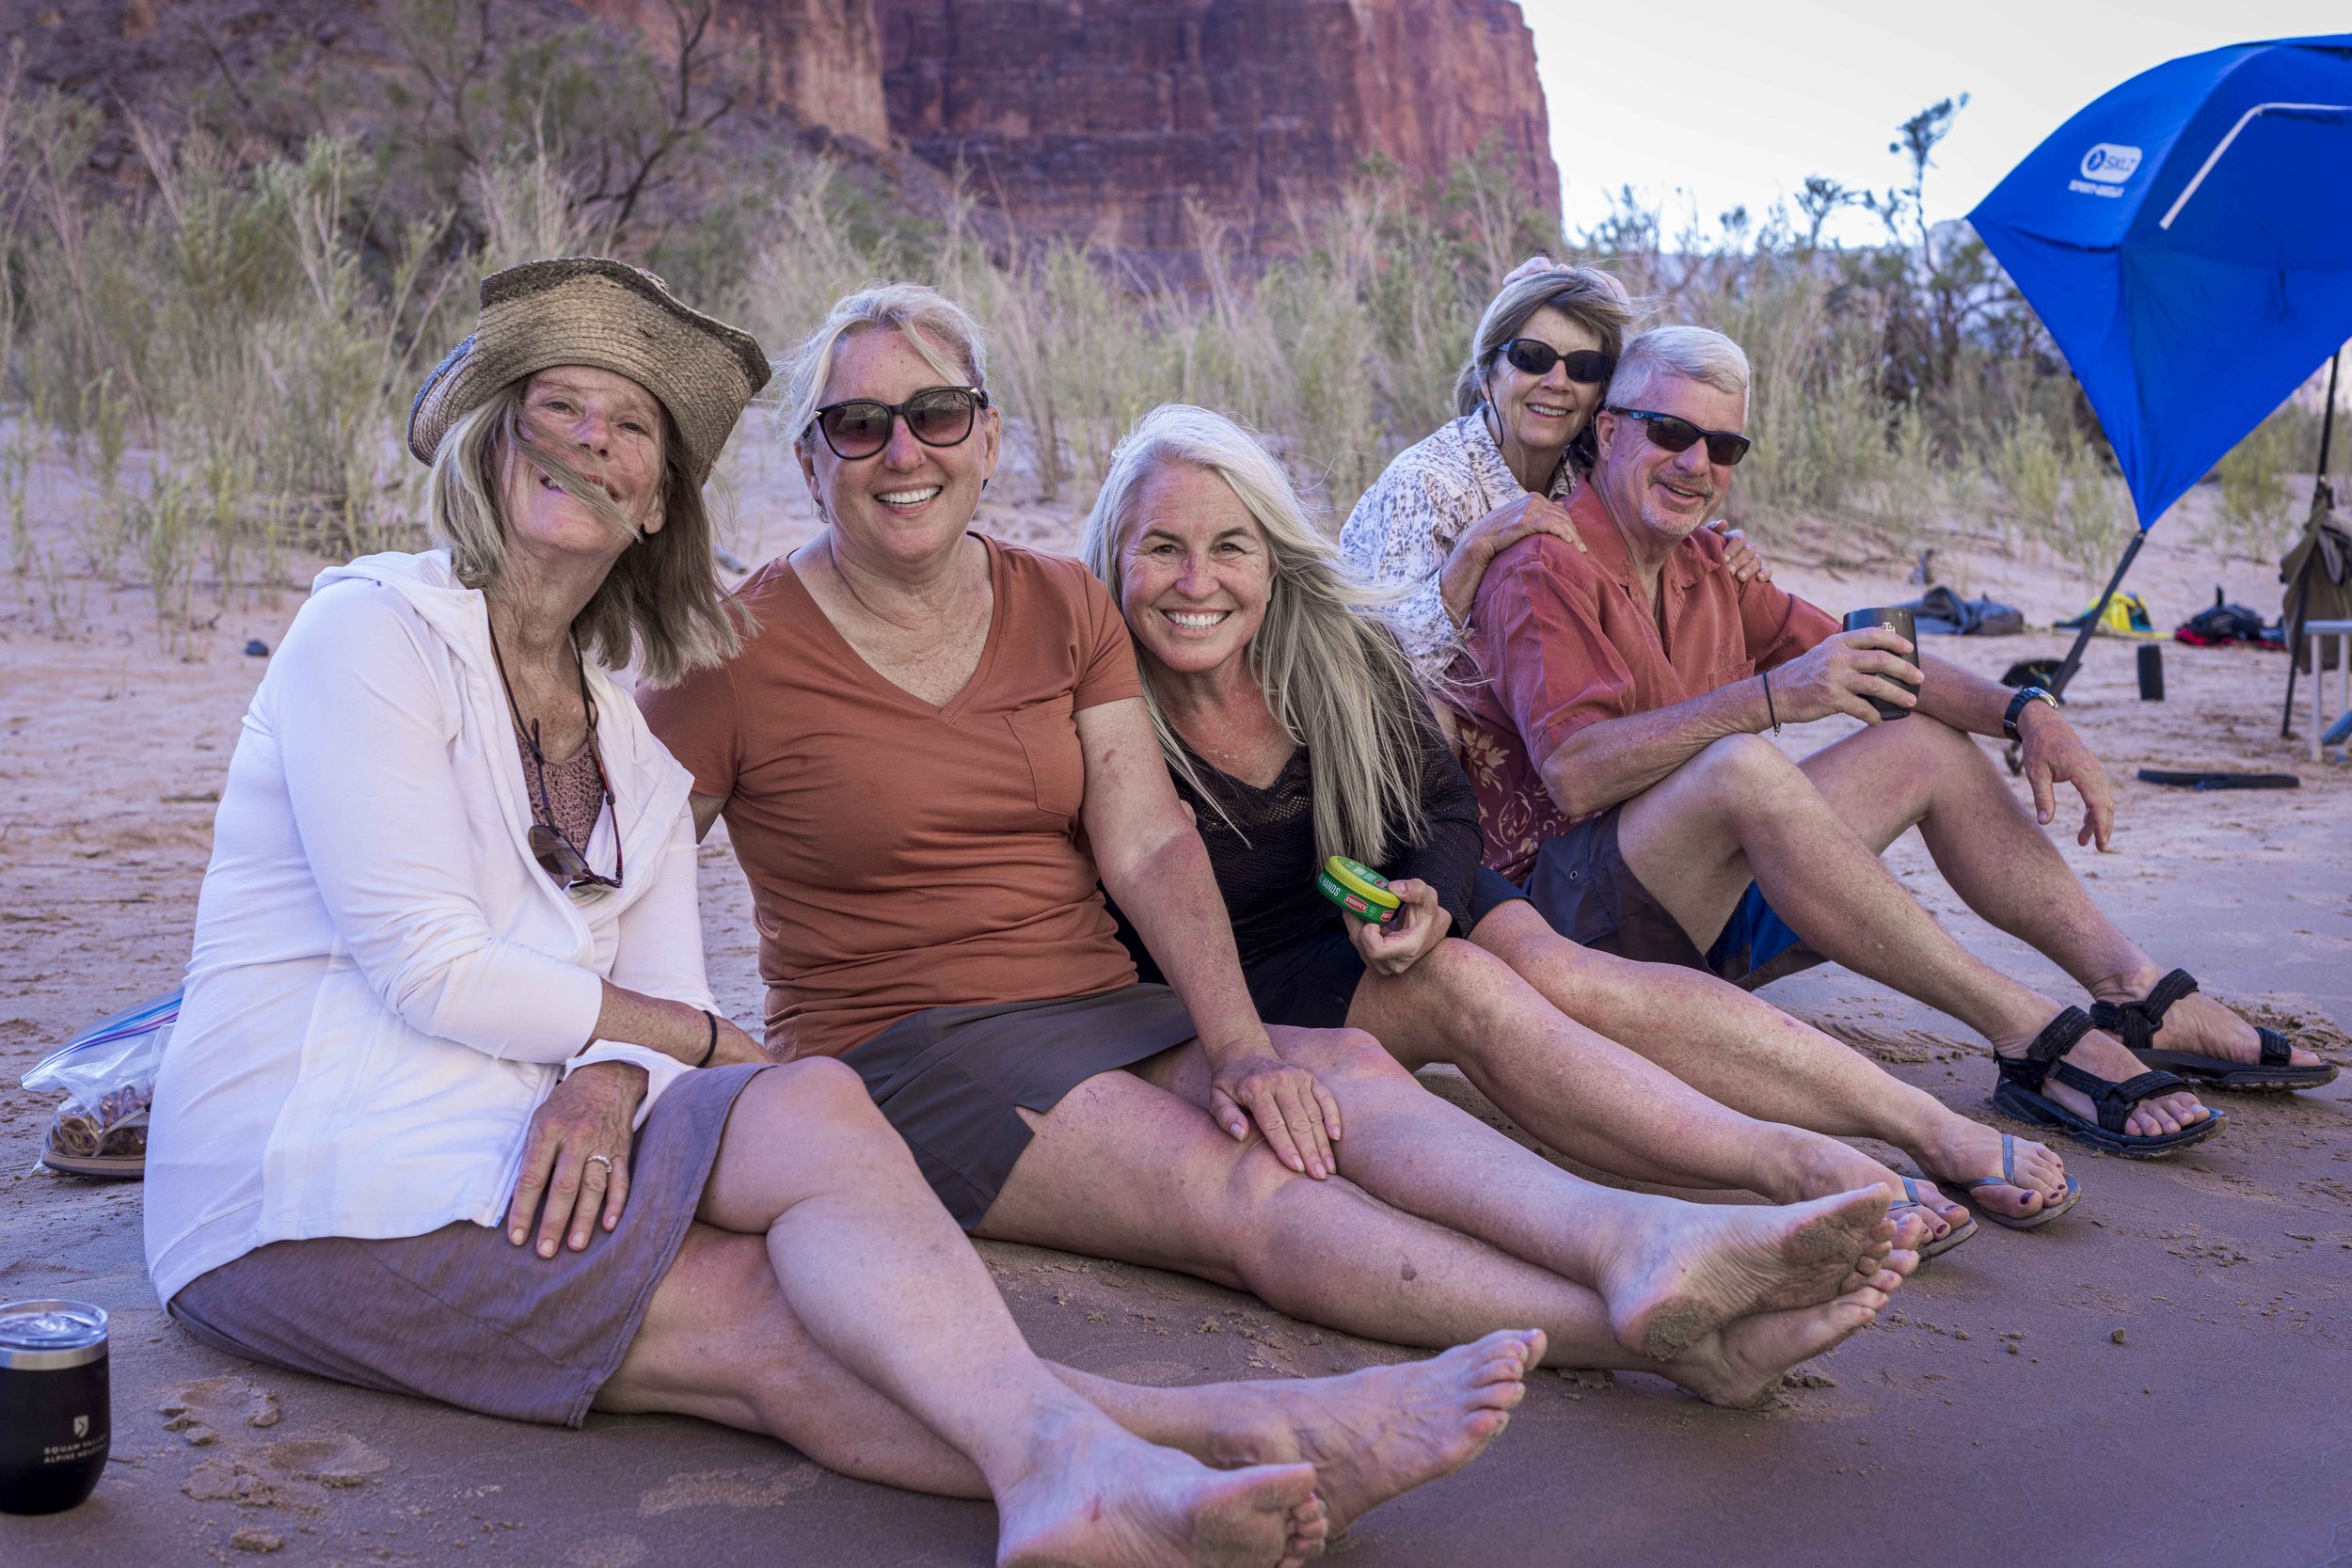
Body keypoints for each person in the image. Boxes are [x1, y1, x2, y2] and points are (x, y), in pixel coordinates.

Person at [144, 260, 1545, 1568]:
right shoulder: (373, 629)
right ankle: (1211, 1436)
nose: (586, 438)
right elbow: (433, 964)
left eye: (626, 425)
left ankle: (1091, 1465)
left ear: (656, 498)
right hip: (314, 1174)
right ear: (486, 446)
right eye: (550, 408)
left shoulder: (626, 735)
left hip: (506, 1127)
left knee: (808, 1107)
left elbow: (658, 972)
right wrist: (669, 1042)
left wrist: (619, 1069)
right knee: (761, 1317)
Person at [643, 280, 1914, 1412]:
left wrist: (1245, 1045)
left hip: (1102, 1004)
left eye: (934, 413)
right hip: (903, 1045)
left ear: (985, 436)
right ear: (811, 460)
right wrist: (688, 1061)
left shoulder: (1060, 601)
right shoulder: (734, 648)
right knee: (1246, 1188)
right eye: (859, 424)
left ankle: (1641, 1237)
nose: (900, 449)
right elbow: (620, 879)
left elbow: (1147, 846)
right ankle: (1646, 1332)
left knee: (1345, 1072)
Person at [1078, 402, 2075, 1250]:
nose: (1197, 581)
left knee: (1569, 975)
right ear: (1112, 561)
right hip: (1247, 965)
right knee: (1466, 985)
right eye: (1162, 548)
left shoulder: (1338, 652)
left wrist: (1427, 885)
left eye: (1228, 546)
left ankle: (1923, 1123)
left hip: (1398, 882)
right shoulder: (1084, 697)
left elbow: (1441, 805)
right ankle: (1798, 1165)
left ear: (1273, 555)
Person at [1450, 322, 2336, 1164]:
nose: (1696, 464)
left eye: (1724, 447)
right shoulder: (1543, 561)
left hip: (1692, 918)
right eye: (1672, 431)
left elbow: (1870, 655)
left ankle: (2133, 991)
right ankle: (2026, 1029)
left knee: (1925, 742)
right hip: (1566, 935)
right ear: (1608, 430)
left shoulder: (1709, 563)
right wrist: (1767, 698)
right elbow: (1573, 773)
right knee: (1740, 763)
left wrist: (2025, 708)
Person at [1339, 258, 1771, 695]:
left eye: (1583, 367)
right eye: (1533, 358)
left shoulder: (1582, 467)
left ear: (1600, 392)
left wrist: (1707, 545)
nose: (1558, 381)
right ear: (1488, 376)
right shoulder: (1428, 484)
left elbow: (1657, 438)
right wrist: (1474, 550)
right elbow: (1382, 674)